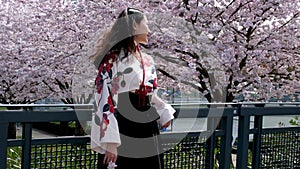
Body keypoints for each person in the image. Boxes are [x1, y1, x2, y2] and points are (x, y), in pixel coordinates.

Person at [89, 7, 175, 169]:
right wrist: (111, 142)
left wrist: (164, 112)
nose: (149, 30)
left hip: (147, 126)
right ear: (134, 25)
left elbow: (151, 93)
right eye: (146, 24)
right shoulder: (111, 59)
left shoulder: (147, 59)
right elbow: (104, 98)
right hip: (123, 126)